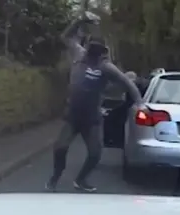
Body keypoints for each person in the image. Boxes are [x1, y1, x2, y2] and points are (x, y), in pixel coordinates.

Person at [45, 11, 145, 192]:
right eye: (93, 52)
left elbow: (127, 82)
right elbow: (65, 36)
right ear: (88, 48)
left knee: (95, 154)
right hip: (72, 116)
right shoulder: (78, 54)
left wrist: (139, 101)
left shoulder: (106, 67)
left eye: (99, 53)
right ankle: (55, 177)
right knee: (60, 148)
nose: (95, 57)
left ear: (103, 54)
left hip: (92, 119)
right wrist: (80, 19)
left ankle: (80, 180)